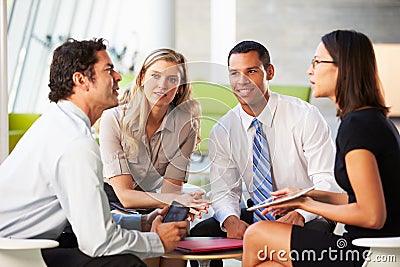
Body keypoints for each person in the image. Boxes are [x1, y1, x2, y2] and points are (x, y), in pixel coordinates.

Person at [0, 38, 189, 267]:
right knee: (128, 263)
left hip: (29, 243)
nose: (118, 77)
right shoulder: (75, 143)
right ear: (81, 81)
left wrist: (141, 223)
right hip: (17, 253)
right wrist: (157, 241)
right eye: (108, 70)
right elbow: (98, 242)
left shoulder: (58, 124)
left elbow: (86, 218)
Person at [242, 29, 400, 267]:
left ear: (343, 68)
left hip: (364, 253)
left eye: (317, 62)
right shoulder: (372, 120)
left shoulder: (357, 126)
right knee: (269, 264)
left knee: (256, 234)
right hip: (376, 251)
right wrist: (306, 194)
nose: (310, 70)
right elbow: (359, 198)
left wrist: (306, 205)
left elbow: (372, 216)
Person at [190, 40, 342, 267]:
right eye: (234, 73)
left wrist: (301, 212)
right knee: (202, 231)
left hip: (306, 210)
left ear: (269, 72)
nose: (241, 81)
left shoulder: (305, 116)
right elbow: (224, 190)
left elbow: (328, 180)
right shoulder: (224, 129)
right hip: (259, 211)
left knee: (317, 230)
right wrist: (231, 220)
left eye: (251, 71)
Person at [99, 48, 209, 212]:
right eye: (155, 76)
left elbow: (171, 192)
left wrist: (178, 210)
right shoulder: (113, 119)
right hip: (108, 203)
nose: (162, 85)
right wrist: (177, 200)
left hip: (152, 202)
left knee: (178, 226)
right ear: (143, 77)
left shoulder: (186, 127)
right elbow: (125, 197)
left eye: (172, 79)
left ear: (180, 86)